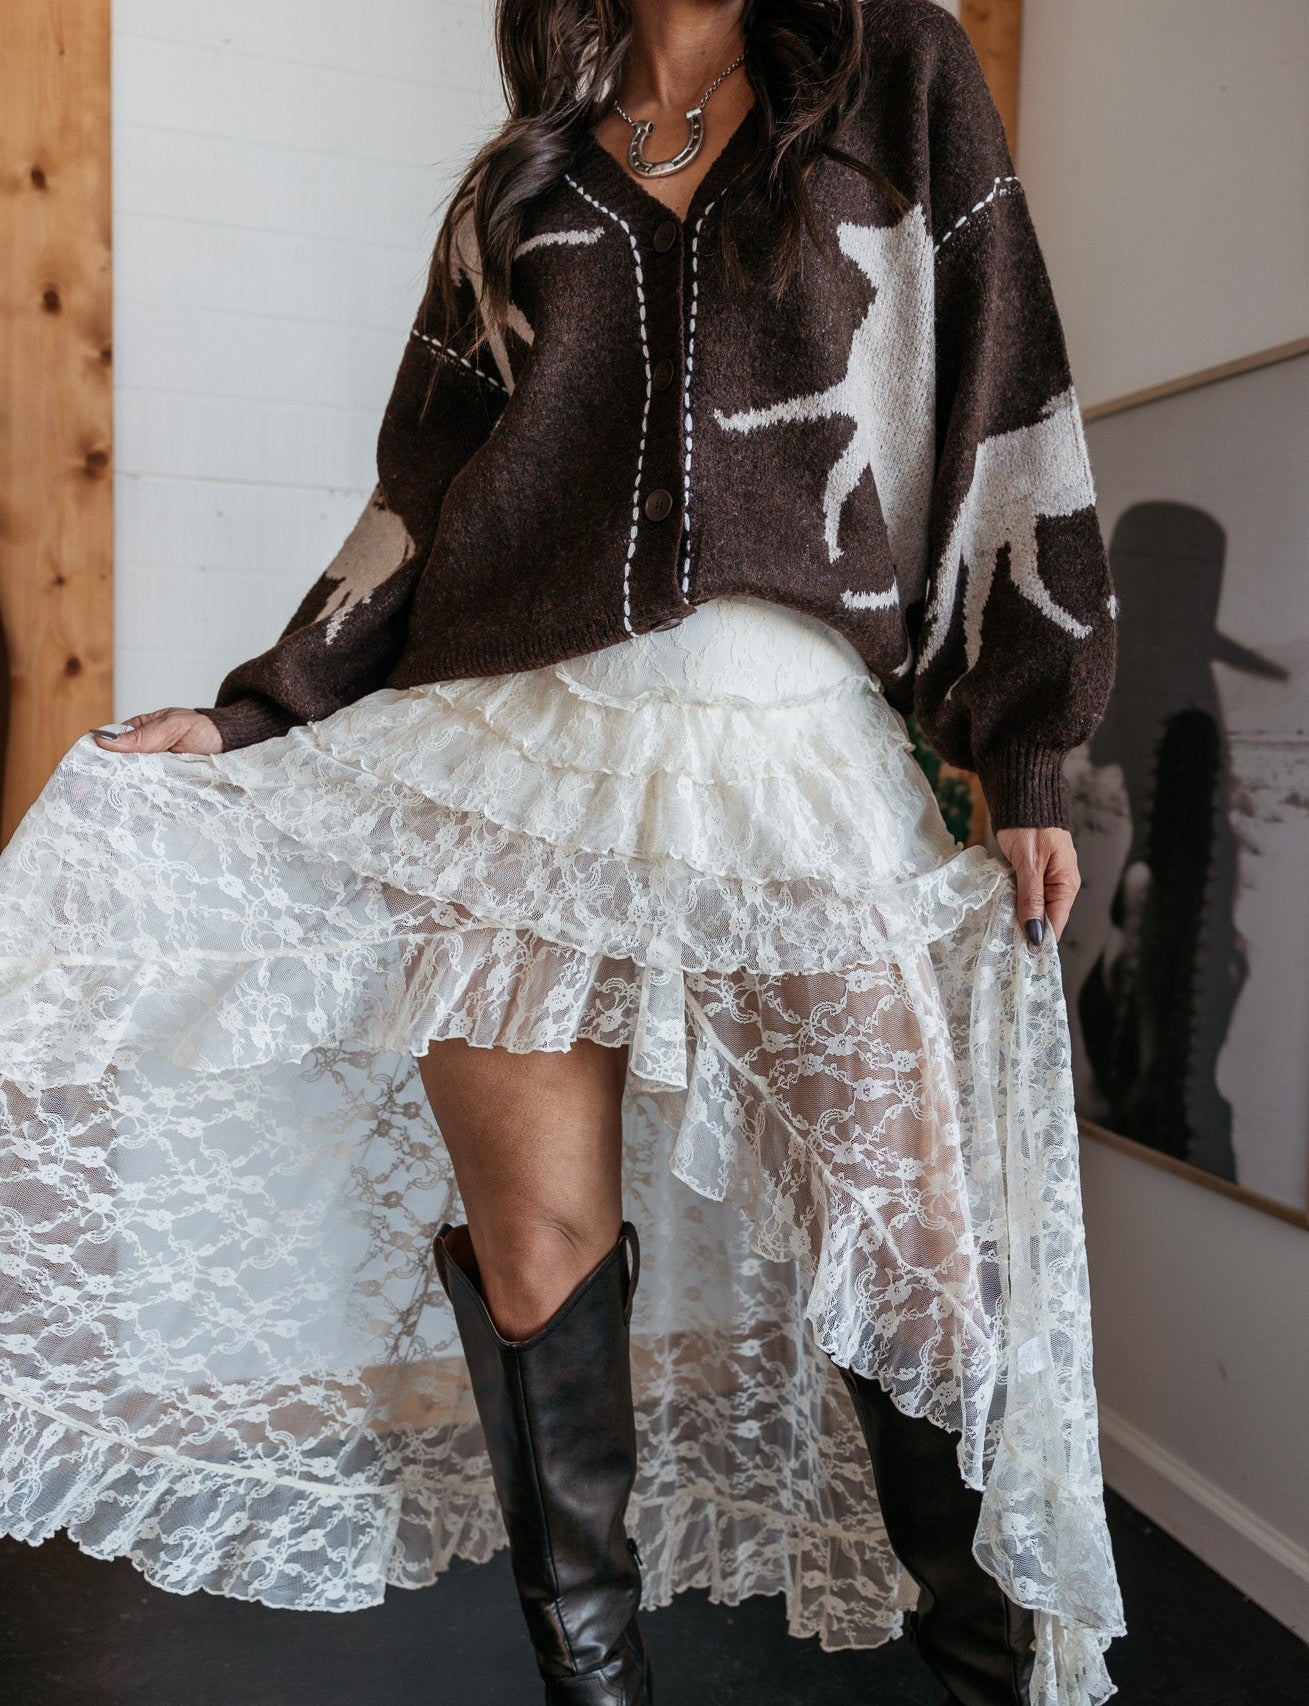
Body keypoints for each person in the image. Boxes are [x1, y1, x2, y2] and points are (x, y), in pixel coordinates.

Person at [0, 1, 1127, 1703]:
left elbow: (998, 368)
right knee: (538, 1272)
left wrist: (1026, 732)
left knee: (910, 1272)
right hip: (499, 772)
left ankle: (988, 1672)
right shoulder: (515, 187)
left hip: (784, 756)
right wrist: (262, 711)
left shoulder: (894, 65)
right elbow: (418, 494)